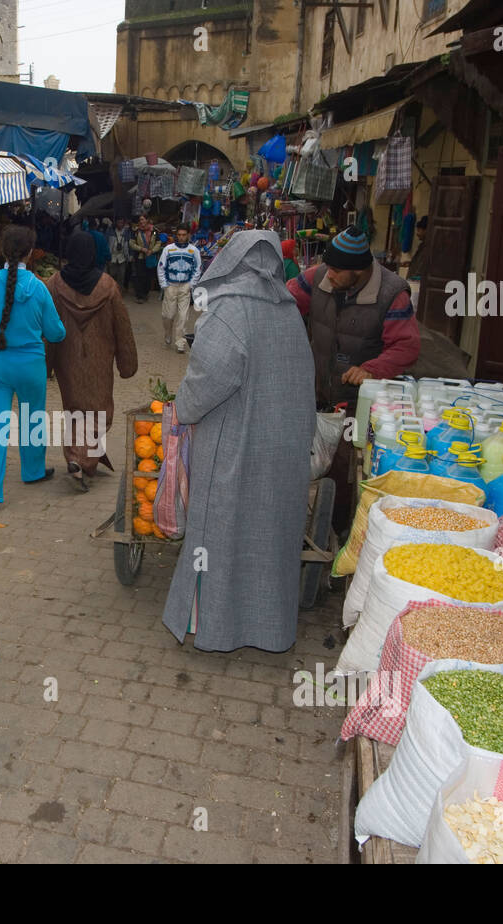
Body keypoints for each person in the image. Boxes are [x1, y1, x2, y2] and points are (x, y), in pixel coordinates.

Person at [162, 232, 314, 653]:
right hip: (282, 449)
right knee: (269, 538)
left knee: (220, 535)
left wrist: (183, 409)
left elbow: (207, 380)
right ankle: (268, 628)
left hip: (234, 447)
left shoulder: (229, 311)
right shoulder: (288, 311)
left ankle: (213, 626)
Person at [0, 225, 66, 515]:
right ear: (31, 253)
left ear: (2, 250)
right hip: (31, 365)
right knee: (32, 418)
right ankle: (32, 471)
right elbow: (56, 332)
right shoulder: (38, 288)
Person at [287, 225, 420, 410]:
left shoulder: (391, 295)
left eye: (336, 270)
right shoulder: (318, 277)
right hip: (316, 396)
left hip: (363, 403)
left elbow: (406, 346)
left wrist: (371, 370)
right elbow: (284, 300)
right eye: (328, 267)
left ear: (358, 270)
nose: (329, 274)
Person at [45, 231, 138, 492]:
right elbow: (122, 326)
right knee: (99, 411)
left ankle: (78, 456)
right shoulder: (107, 286)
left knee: (75, 409)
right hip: (99, 357)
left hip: (67, 358)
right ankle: (82, 460)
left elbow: (48, 327)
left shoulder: (54, 284)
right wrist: (126, 362)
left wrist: (47, 364)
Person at [156, 225, 203, 352]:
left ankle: (179, 342)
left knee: (183, 316)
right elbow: (161, 267)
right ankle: (167, 333)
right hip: (170, 286)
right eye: (179, 235)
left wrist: (191, 284)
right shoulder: (168, 249)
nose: (181, 237)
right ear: (176, 235)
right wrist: (164, 284)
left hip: (185, 287)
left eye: (184, 235)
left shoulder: (194, 251)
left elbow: (198, 268)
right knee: (168, 315)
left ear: (188, 235)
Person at [129, 215, 161, 303]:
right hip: (140, 257)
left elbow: (158, 243)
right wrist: (141, 249)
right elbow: (131, 243)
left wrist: (152, 250)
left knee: (149, 277)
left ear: (147, 220)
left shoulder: (154, 231)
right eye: (140, 220)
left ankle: (145, 293)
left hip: (150, 257)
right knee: (140, 276)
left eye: (143, 219)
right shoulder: (136, 231)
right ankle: (140, 295)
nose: (141, 221)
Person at [106, 217, 132, 293]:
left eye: (121, 222)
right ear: (116, 223)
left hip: (122, 257)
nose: (120, 224)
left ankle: (119, 292)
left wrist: (130, 255)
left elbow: (129, 244)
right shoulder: (110, 231)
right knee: (112, 275)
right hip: (112, 256)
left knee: (121, 276)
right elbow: (106, 243)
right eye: (118, 222)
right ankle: (112, 292)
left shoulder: (126, 232)